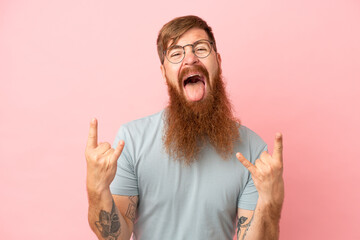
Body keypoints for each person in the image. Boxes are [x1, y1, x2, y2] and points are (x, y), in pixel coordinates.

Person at [85, 15, 284, 240]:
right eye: (176, 53)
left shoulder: (252, 150)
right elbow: (116, 237)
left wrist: (270, 203)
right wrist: (97, 189)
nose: (190, 59)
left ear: (218, 61)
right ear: (164, 73)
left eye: (200, 49)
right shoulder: (131, 140)